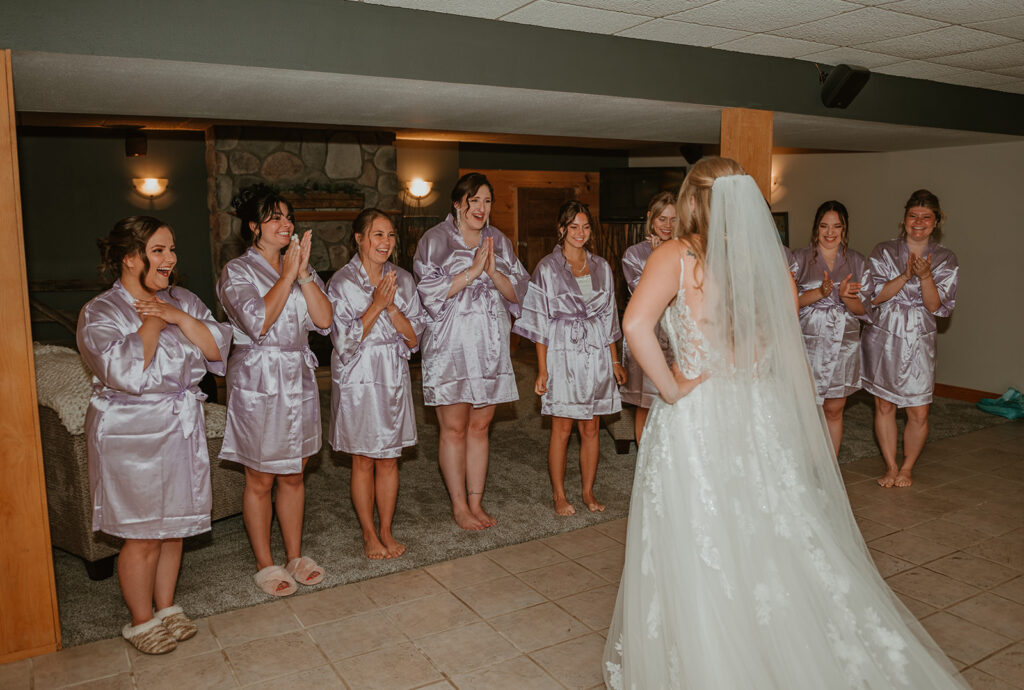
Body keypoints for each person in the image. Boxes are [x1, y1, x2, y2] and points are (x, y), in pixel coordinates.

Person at [603, 157, 967, 689]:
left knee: (701, 536)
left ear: (692, 199)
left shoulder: (677, 255)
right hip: (755, 410)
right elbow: (778, 332)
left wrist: (674, 386)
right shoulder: (766, 258)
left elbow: (634, 324)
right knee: (767, 530)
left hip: (697, 419)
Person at [78, 216, 231, 654]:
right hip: (131, 432)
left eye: (172, 249)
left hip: (179, 423)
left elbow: (217, 347)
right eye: (159, 250)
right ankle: (140, 619)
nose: (170, 259)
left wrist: (176, 315)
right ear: (131, 258)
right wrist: (151, 321)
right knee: (143, 532)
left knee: (174, 526)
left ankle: (166, 607)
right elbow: (122, 370)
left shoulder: (181, 299)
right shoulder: (101, 311)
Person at [217, 183, 333, 596]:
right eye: (275, 217)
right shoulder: (237, 272)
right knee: (261, 478)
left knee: (294, 473)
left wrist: (302, 275)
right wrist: (286, 277)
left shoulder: (298, 265)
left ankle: (295, 555)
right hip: (258, 379)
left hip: (297, 375)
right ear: (253, 226)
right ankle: (265, 564)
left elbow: (324, 321)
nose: (286, 224)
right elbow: (257, 321)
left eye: (288, 216)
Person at [413, 172, 530, 530]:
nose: (480, 208)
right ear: (457, 203)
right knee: (454, 428)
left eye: (487, 201)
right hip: (450, 346)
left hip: (490, 345)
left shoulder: (500, 241)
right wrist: (471, 272)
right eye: (473, 200)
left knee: (480, 427)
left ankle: (477, 502)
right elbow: (427, 293)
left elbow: (519, 293)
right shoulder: (435, 240)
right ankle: (459, 505)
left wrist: (492, 273)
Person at [513, 201, 625, 516]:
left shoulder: (602, 267)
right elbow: (539, 323)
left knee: (591, 428)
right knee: (562, 427)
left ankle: (588, 492)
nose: (580, 233)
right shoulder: (547, 268)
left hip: (596, 355)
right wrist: (542, 370)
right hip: (562, 353)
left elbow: (608, 319)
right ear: (561, 229)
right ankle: (559, 495)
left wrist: (615, 361)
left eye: (585, 227)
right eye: (573, 227)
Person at [327, 209, 426, 559]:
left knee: (389, 458)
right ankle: (368, 533)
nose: (385, 242)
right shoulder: (341, 283)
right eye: (378, 235)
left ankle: (386, 528)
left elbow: (414, 339)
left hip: (392, 373)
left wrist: (393, 309)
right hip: (356, 374)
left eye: (390, 235)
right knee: (363, 459)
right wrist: (377, 305)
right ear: (359, 238)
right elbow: (344, 341)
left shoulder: (403, 278)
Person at [862, 190, 958, 488]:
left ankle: (907, 468)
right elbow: (874, 296)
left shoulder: (945, 258)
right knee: (885, 405)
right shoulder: (884, 251)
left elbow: (935, 307)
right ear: (904, 219)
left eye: (926, 217)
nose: (919, 222)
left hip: (919, 335)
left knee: (918, 409)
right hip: (884, 333)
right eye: (913, 216)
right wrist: (905, 276)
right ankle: (891, 466)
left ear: (936, 221)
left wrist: (926, 276)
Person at [793, 201, 871, 455]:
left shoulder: (858, 261)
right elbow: (789, 303)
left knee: (834, 409)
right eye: (824, 226)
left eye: (837, 226)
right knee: (804, 410)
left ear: (845, 229)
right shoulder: (799, 259)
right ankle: (804, 466)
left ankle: (831, 470)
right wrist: (820, 292)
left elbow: (865, 310)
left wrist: (847, 297)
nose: (830, 232)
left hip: (843, 344)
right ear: (816, 227)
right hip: (808, 342)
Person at [619, 191, 675, 443]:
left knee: (675, 399)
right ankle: (645, 460)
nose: (667, 225)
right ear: (651, 219)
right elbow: (644, 294)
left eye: (673, 219)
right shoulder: (634, 254)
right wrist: (656, 259)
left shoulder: (683, 249)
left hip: (676, 333)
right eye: (662, 219)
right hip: (647, 334)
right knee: (646, 402)